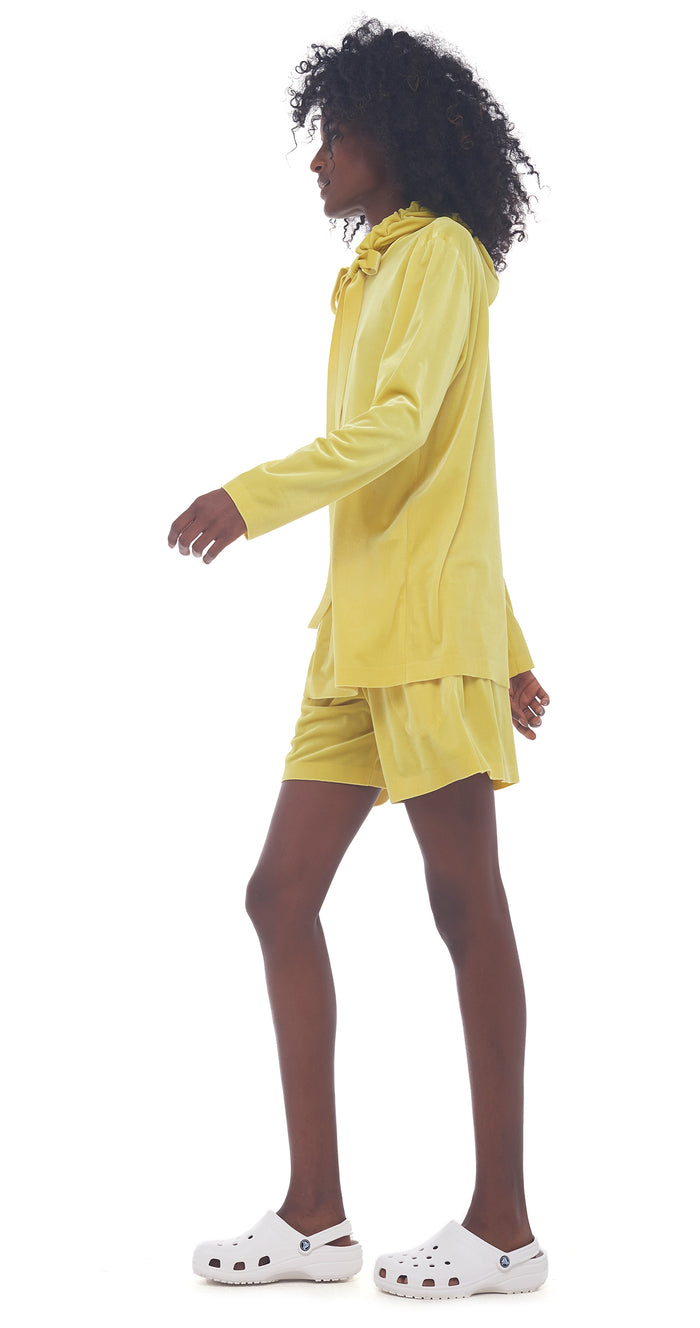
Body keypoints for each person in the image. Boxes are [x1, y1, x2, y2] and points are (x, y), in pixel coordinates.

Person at [168, 17, 551, 1301]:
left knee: (463, 903)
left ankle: (503, 1228)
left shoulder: (439, 255)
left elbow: (399, 433)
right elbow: (445, 478)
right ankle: (316, 1215)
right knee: (278, 894)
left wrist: (247, 497)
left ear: (399, 137)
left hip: (423, 641)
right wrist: (513, 642)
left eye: (336, 133)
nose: (318, 158)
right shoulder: (370, 273)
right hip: (357, 639)